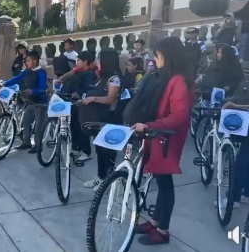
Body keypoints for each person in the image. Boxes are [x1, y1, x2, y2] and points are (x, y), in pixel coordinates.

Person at [123, 36, 194, 245]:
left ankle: (163, 230)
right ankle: (156, 221)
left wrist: (152, 125)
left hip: (167, 136)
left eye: (159, 55)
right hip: (158, 134)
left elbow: (179, 115)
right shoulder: (167, 76)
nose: (156, 59)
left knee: (164, 182)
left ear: (168, 57)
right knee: (160, 179)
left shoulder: (179, 80)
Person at [81, 48, 122, 189]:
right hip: (98, 119)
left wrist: (93, 98)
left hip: (110, 119)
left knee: (108, 152)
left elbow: (111, 98)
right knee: (99, 150)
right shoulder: (100, 77)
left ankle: (107, 180)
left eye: (100, 59)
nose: (97, 61)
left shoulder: (114, 79)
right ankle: (100, 177)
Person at [1, 50, 48, 153]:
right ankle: (26, 142)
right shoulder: (28, 71)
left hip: (40, 104)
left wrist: (32, 91)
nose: (26, 62)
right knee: (26, 122)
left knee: (38, 127)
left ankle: (38, 146)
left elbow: (43, 89)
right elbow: (17, 78)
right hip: (30, 102)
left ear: (35, 61)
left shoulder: (41, 73)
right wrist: (4, 84)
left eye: (28, 60)